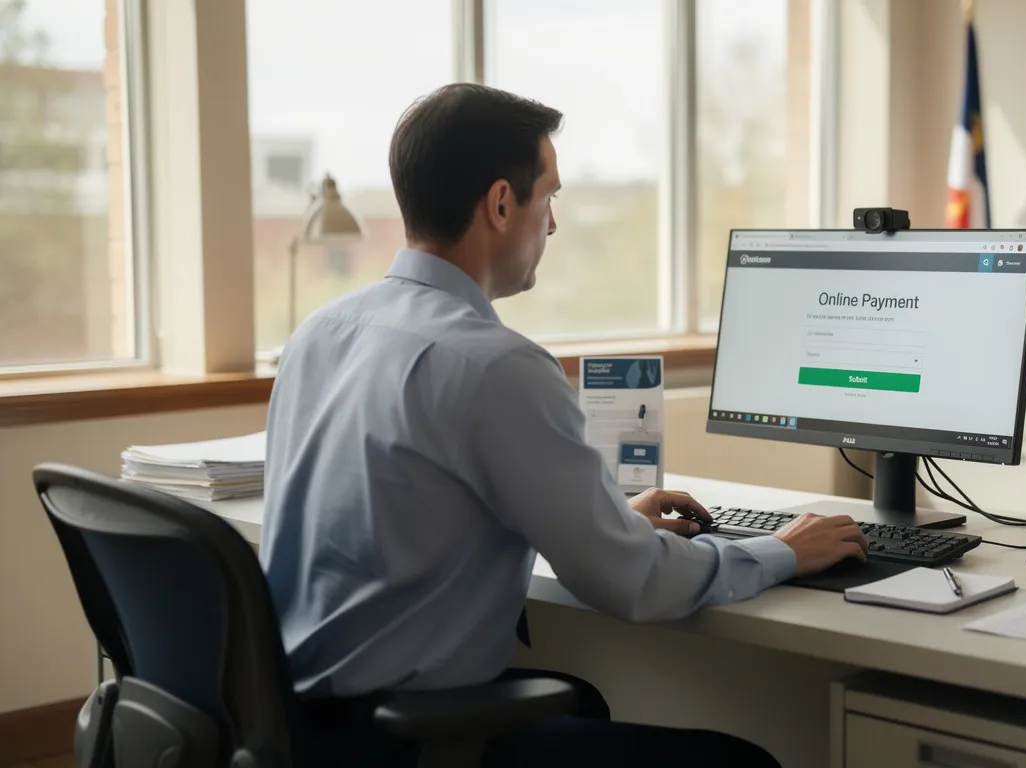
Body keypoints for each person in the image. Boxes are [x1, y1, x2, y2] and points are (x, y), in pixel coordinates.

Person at [260, 82, 869, 767]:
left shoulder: (318, 333)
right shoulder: (496, 366)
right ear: (499, 204)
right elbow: (632, 583)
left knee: (579, 698)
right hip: (397, 743)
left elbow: (411, 514)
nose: (550, 225)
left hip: (296, 724)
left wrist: (605, 519)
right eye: (547, 198)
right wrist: (786, 550)